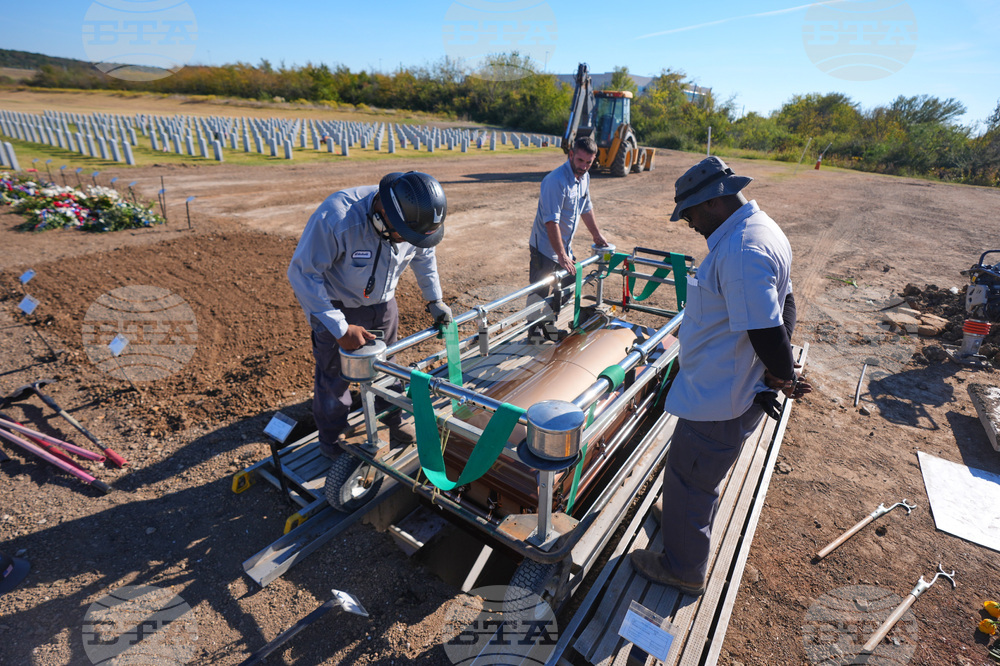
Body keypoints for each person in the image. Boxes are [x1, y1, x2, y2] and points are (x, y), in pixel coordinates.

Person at [630, 156, 812, 595]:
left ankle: (683, 567)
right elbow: (785, 301)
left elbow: (767, 329)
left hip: (719, 398)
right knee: (692, 472)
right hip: (733, 387)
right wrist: (774, 371)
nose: (689, 223)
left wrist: (783, 374)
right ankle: (679, 513)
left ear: (713, 202)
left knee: (693, 475)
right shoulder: (760, 227)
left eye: (689, 213)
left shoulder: (741, 251)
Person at [287, 171, 454, 458]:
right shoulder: (336, 219)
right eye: (405, 235)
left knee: (387, 367)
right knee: (333, 378)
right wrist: (340, 328)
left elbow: (424, 256)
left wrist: (434, 299)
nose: (408, 241)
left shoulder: (413, 224)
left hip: (383, 305)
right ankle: (332, 439)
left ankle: (392, 421)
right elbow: (303, 274)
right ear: (382, 216)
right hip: (335, 305)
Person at [526, 135, 609, 342]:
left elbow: (586, 208)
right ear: (571, 154)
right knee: (541, 290)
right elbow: (551, 222)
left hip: (564, 247)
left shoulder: (584, 178)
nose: (584, 166)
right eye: (580, 160)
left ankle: (548, 325)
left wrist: (596, 235)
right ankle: (534, 333)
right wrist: (562, 256)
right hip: (545, 247)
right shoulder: (555, 181)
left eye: (589, 162)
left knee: (571, 281)